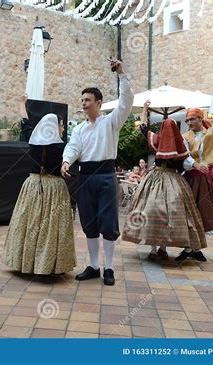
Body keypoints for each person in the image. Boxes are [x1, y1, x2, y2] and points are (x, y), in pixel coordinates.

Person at [61, 59, 134, 286]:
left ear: (99, 103)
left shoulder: (111, 122)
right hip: (85, 177)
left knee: (109, 221)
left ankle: (109, 268)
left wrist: (121, 73)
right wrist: (66, 161)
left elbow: (126, 101)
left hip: (106, 176)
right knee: (89, 222)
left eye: (88, 100)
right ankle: (94, 266)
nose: (84, 104)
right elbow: (73, 147)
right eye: (82, 100)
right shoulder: (80, 129)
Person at [122, 103, 207, 261]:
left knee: (152, 212)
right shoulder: (180, 145)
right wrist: (196, 165)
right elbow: (186, 161)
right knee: (168, 214)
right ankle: (160, 249)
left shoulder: (158, 141)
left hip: (155, 179)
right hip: (174, 181)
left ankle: (157, 250)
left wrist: (145, 110)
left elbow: (143, 127)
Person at [2, 94, 76, 275]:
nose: (63, 128)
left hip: (33, 185)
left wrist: (21, 103)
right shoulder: (62, 148)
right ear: (54, 127)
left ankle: (25, 263)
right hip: (54, 188)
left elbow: (25, 122)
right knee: (51, 227)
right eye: (61, 125)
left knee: (29, 223)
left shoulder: (33, 142)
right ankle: (49, 265)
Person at [176, 78, 213, 261]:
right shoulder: (185, 136)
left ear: (201, 119)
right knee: (188, 211)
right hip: (191, 178)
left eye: (192, 119)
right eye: (187, 119)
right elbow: (183, 157)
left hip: (206, 178)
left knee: (204, 212)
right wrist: (193, 165)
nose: (189, 122)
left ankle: (195, 248)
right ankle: (189, 248)